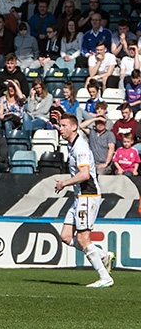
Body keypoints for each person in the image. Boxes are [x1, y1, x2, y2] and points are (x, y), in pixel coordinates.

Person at [55, 113, 115, 288]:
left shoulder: (80, 146)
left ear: (74, 127)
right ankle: (102, 255)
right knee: (66, 237)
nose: (61, 128)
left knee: (83, 239)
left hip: (88, 196)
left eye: (64, 125)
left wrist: (64, 183)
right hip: (79, 197)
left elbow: (85, 174)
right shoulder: (71, 144)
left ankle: (105, 277)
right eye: (60, 125)